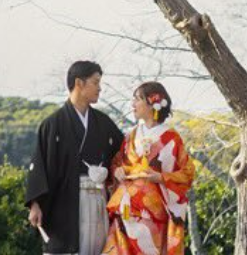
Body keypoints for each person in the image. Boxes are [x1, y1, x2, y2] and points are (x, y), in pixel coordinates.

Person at [26, 60, 124, 255]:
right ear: (79, 83)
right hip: (64, 200)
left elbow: (122, 153)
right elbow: (39, 165)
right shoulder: (52, 124)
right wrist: (35, 204)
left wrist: (118, 171)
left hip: (98, 197)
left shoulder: (103, 123)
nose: (100, 88)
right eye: (95, 82)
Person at [102, 81, 195, 255]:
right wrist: (117, 171)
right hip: (125, 208)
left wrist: (160, 177)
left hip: (152, 211)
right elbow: (117, 161)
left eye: (137, 99)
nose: (133, 104)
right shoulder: (131, 135)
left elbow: (187, 173)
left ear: (152, 102)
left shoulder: (171, 138)